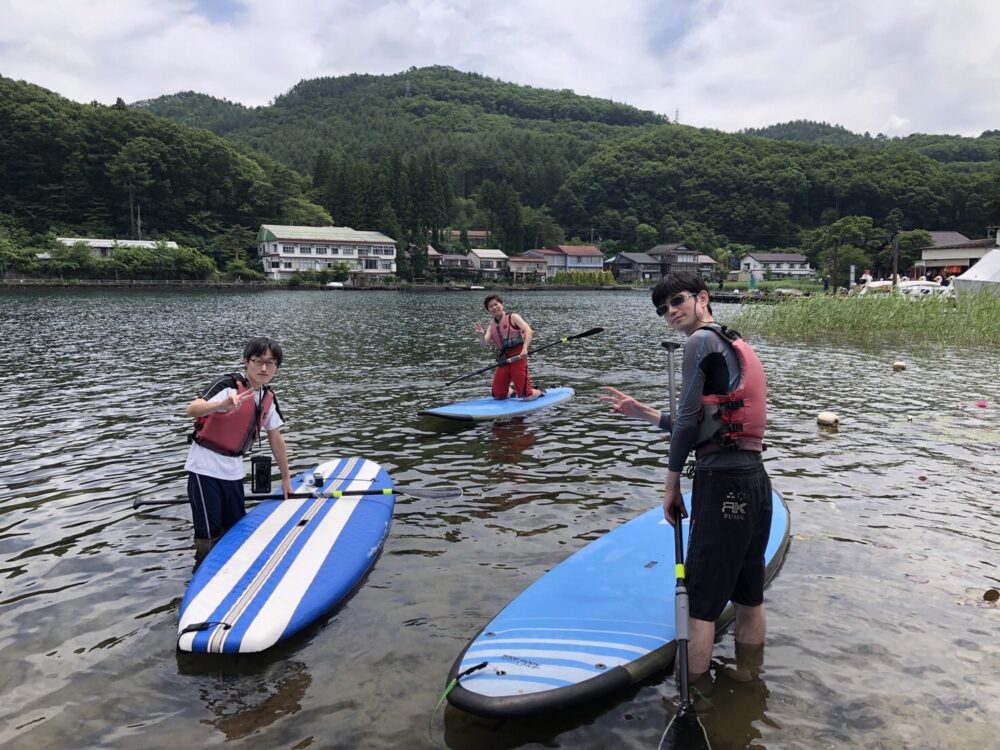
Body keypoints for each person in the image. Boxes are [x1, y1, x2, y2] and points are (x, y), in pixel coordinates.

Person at [600, 271, 772, 681]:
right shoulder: (734, 343)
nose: (670, 312)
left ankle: (687, 703)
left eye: (677, 301)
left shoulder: (699, 341)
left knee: (698, 607)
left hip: (722, 486)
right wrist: (647, 414)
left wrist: (671, 486)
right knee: (749, 596)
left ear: (702, 298)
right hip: (754, 482)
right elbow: (709, 424)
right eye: (662, 309)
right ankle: (749, 682)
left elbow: (689, 423)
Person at [184, 337, 292, 548]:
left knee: (233, 531)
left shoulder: (268, 397)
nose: (263, 367)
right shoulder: (227, 386)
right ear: (246, 361)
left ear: (276, 368)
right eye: (258, 361)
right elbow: (192, 409)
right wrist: (219, 405)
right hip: (204, 471)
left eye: (270, 363)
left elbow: (276, 438)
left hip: (233, 473)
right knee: (208, 535)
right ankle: (203, 568)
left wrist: (286, 479)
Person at [473, 295, 544, 400]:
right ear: (489, 310)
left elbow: (529, 331)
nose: (494, 307)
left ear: (502, 305)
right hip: (504, 360)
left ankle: (539, 391)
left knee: (527, 397)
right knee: (498, 396)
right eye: (491, 306)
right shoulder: (491, 326)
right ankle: (512, 390)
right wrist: (481, 335)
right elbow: (483, 344)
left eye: (496, 304)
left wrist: (525, 349)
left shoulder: (513, 317)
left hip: (518, 357)